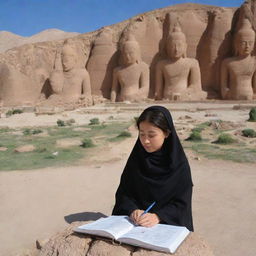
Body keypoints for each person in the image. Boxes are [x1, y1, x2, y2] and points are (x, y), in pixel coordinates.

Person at [112, 105, 194, 231]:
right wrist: (133, 210)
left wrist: (158, 216)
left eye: (151, 135)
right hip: (135, 226)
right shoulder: (136, 160)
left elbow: (181, 204)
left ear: (166, 133)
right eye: (142, 134)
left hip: (165, 228)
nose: (145, 141)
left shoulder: (178, 166)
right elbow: (124, 194)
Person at [155, 24, 206, 101]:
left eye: (179, 45)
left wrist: (183, 93)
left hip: (184, 95)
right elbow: (158, 91)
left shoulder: (192, 63)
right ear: (167, 47)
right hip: (167, 97)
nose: (176, 49)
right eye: (172, 46)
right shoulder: (161, 64)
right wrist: (157, 96)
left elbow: (196, 86)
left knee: (201, 93)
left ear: (185, 46)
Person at [220, 18, 256, 100]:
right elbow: (223, 86)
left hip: (249, 95)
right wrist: (226, 94)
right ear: (236, 44)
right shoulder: (227, 62)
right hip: (232, 95)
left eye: (250, 43)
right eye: (243, 42)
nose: (247, 46)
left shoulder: (254, 62)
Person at [111, 36, 149, 102]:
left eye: (131, 53)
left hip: (136, 98)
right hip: (121, 100)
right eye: (125, 54)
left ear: (137, 53)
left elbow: (145, 87)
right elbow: (114, 89)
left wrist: (134, 96)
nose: (127, 56)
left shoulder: (143, 67)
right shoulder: (117, 70)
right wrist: (112, 101)